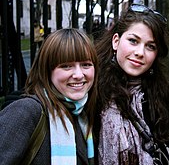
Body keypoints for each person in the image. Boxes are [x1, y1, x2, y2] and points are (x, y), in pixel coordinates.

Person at [94, 3, 169, 164]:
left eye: (150, 46)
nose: (140, 53)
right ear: (116, 41)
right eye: (133, 41)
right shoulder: (92, 91)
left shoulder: (162, 98)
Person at [0, 28, 99, 164]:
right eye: (66, 66)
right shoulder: (26, 112)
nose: (78, 75)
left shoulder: (83, 115)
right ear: (47, 71)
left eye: (86, 65)